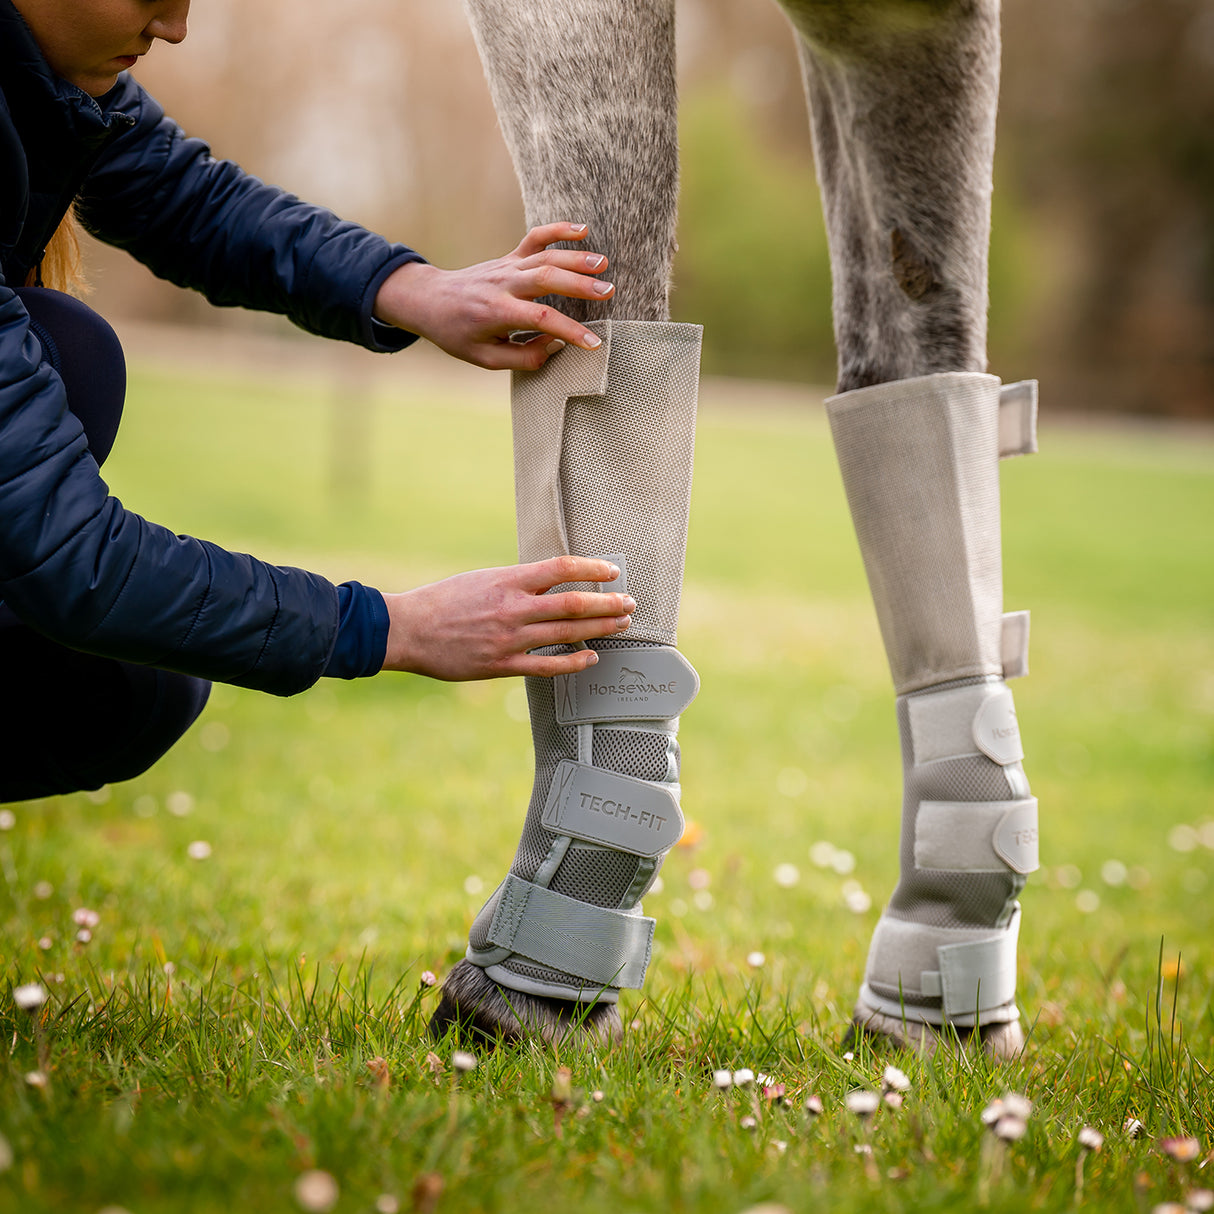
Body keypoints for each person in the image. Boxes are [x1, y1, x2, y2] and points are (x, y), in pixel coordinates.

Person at [0, 0, 636, 801]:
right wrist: (397, 628)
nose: (175, 26)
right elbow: (76, 558)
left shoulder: (46, 76)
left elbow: (182, 196)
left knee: (134, 688)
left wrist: (411, 289)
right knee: (77, 357)